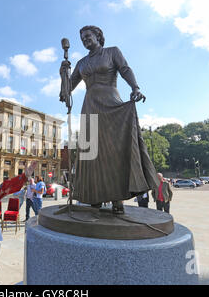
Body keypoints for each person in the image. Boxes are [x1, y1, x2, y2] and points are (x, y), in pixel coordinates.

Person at [60, 25, 158, 214]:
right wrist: (63, 74)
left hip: (111, 103)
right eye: (82, 38)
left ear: (98, 36)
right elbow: (66, 93)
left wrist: (135, 87)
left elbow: (125, 69)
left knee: (114, 151)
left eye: (88, 36)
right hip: (90, 106)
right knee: (91, 151)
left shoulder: (112, 52)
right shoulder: (81, 63)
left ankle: (116, 199)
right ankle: (94, 195)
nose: (85, 40)